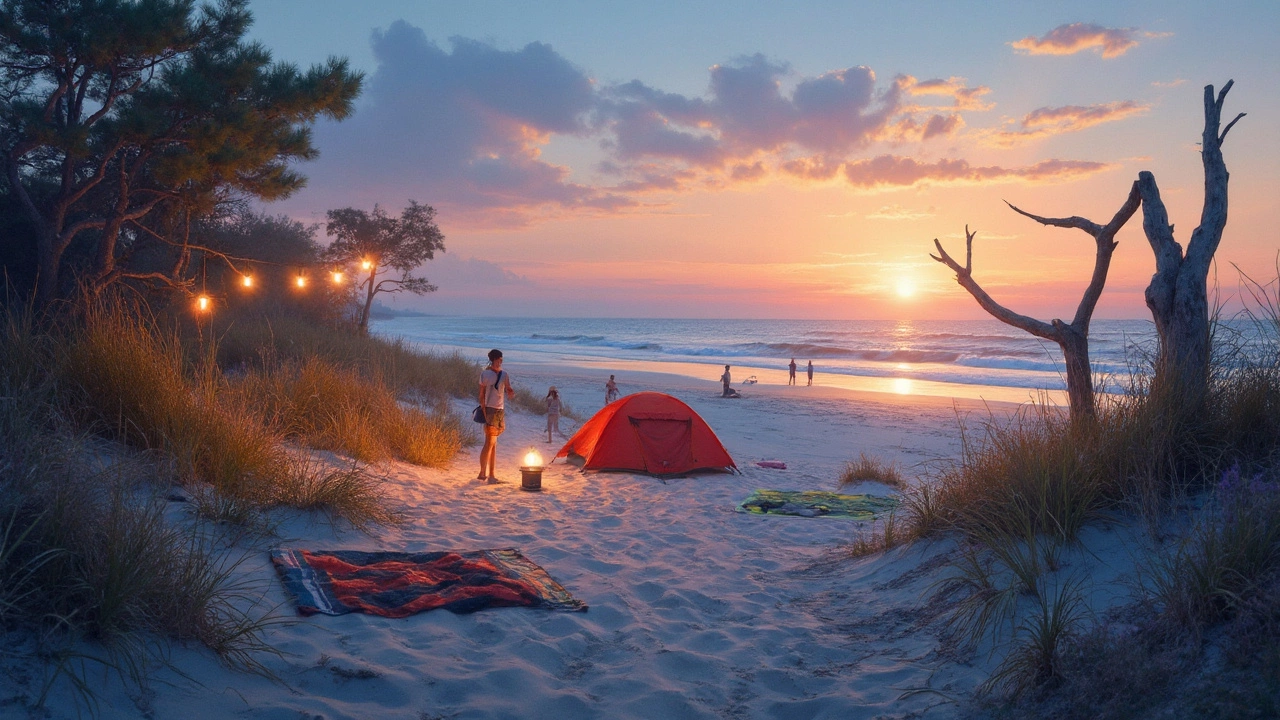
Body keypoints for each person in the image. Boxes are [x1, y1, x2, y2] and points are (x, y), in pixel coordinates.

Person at [478, 349, 515, 483]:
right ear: (493, 360)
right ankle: (483, 473)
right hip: (490, 409)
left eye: (501, 360)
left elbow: (508, 388)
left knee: (494, 444)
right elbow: (481, 393)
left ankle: (491, 473)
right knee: (489, 442)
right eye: (498, 360)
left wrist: (510, 392)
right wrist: (483, 408)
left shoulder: (504, 374)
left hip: (500, 409)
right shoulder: (485, 374)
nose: (500, 362)